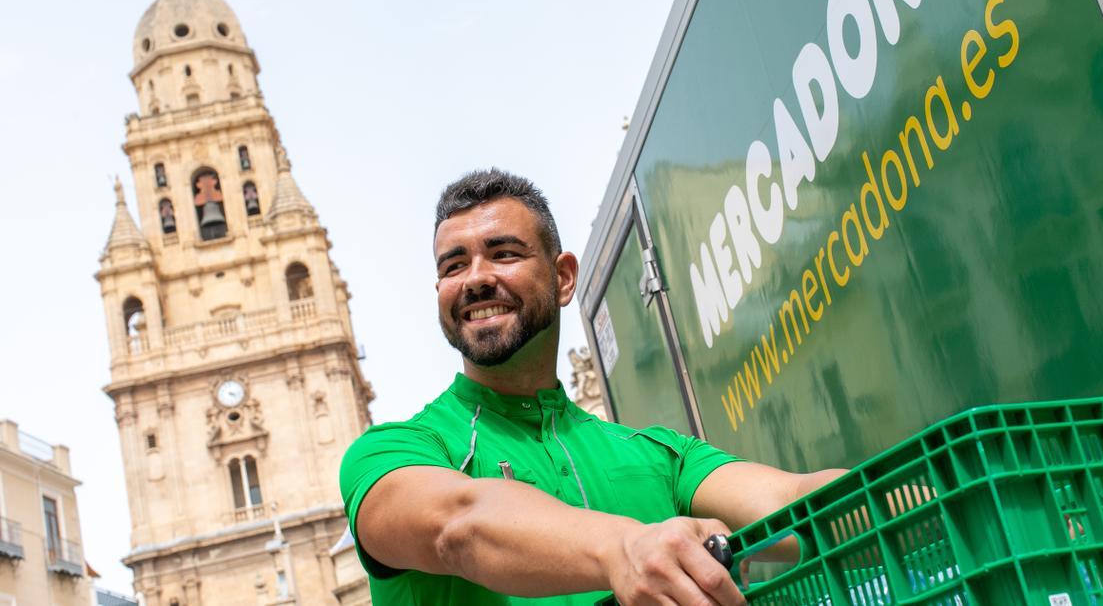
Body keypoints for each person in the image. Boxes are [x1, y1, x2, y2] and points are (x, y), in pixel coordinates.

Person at [340, 169, 845, 605]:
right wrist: (622, 548)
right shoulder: (389, 454)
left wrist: (910, 492)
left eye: (504, 253)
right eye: (454, 265)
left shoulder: (662, 457)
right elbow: (458, 525)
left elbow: (796, 498)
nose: (475, 279)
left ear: (563, 278)